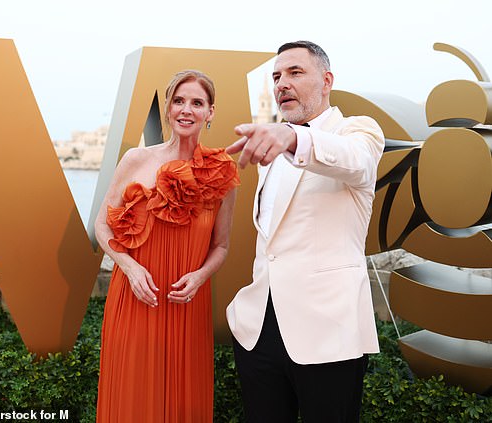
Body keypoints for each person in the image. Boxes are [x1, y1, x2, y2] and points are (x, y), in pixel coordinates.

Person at [225, 40, 385, 422]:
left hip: (328, 334)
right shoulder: (271, 154)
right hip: (258, 333)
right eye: (277, 76)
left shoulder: (357, 131)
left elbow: (357, 162)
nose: (282, 83)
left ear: (326, 81)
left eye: (295, 73)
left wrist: (294, 138)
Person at [95, 69, 240, 422]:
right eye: (178, 101)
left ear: (211, 112)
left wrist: (201, 276)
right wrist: (129, 267)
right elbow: (102, 225)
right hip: (135, 295)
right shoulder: (136, 160)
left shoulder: (222, 172)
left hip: (185, 302)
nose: (186, 109)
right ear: (168, 109)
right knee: (132, 398)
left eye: (197, 102)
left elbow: (221, 246)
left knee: (181, 404)